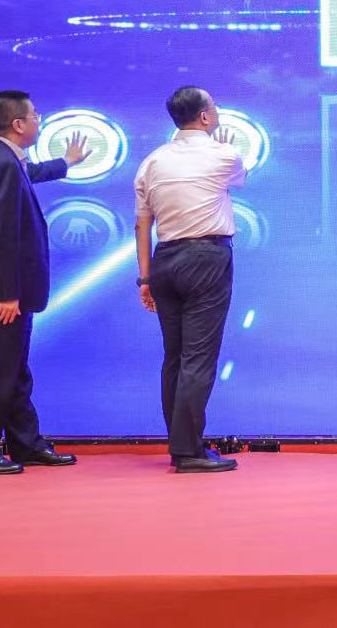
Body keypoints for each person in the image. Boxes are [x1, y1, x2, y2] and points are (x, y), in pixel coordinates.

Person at [0, 90, 90, 475]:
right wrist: (8, 293)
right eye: (35, 114)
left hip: (11, 290)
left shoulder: (5, 158)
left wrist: (66, 163)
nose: (39, 118)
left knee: (14, 371)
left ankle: (26, 444)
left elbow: (29, 174)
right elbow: (1, 235)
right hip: (4, 293)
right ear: (18, 124)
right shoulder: (1, 163)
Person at [133, 86, 248, 473]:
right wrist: (223, 146)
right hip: (206, 258)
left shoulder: (152, 161)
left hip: (163, 261)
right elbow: (240, 179)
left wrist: (144, 278)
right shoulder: (223, 154)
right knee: (198, 357)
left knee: (175, 357)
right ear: (204, 117)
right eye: (214, 106)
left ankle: (180, 444)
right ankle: (188, 452)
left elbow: (142, 224)